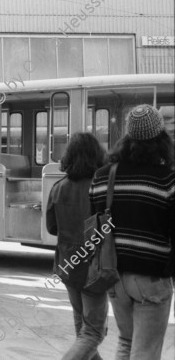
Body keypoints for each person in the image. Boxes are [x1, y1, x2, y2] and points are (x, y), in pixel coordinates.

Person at [89, 105, 175, 360]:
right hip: (151, 278)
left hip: (114, 274)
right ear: (161, 139)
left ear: (127, 138)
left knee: (126, 342)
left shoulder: (103, 177)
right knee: (145, 352)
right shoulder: (168, 180)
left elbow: (95, 220)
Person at [46, 132, 108, 360]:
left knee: (82, 327)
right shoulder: (100, 186)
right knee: (94, 332)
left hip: (67, 264)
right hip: (94, 267)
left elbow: (52, 227)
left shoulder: (58, 187)